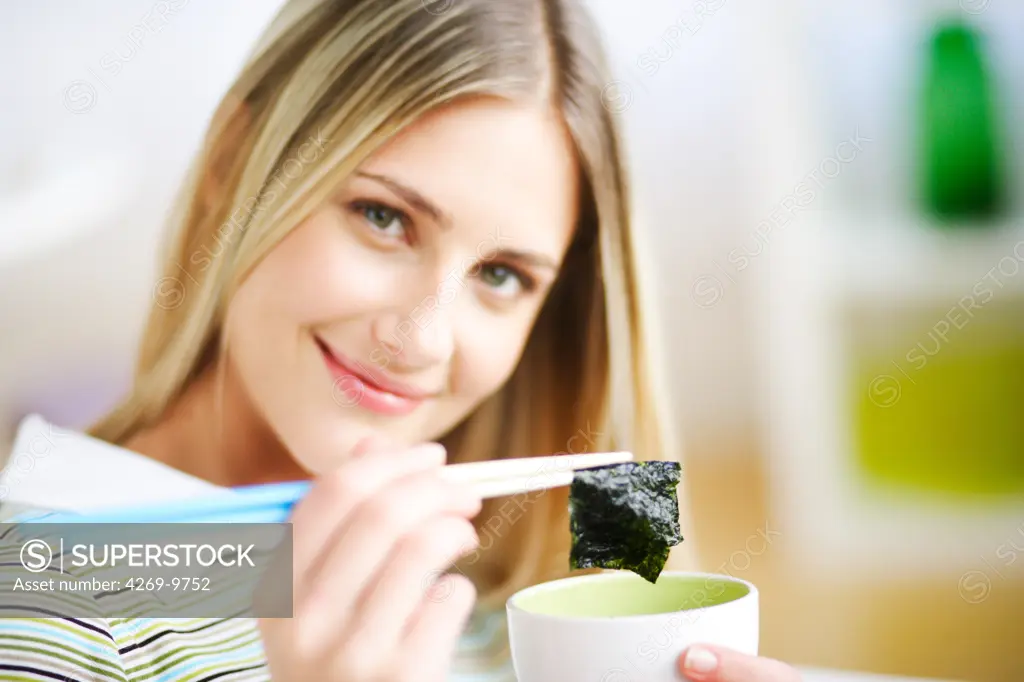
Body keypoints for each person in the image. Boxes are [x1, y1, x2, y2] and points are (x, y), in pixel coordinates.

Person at [0, 0, 803, 680]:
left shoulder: (596, 502)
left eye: (502, 275)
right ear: (231, 164)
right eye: (383, 218)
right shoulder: (53, 578)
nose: (420, 340)